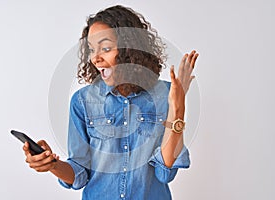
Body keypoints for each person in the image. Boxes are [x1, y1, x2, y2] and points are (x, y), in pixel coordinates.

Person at [23, 5, 199, 200]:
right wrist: (52, 165)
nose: (96, 59)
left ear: (129, 50)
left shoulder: (165, 94)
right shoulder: (83, 101)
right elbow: (80, 173)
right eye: (91, 50)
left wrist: (177, 106)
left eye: (105, 48)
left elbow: (165, 172)